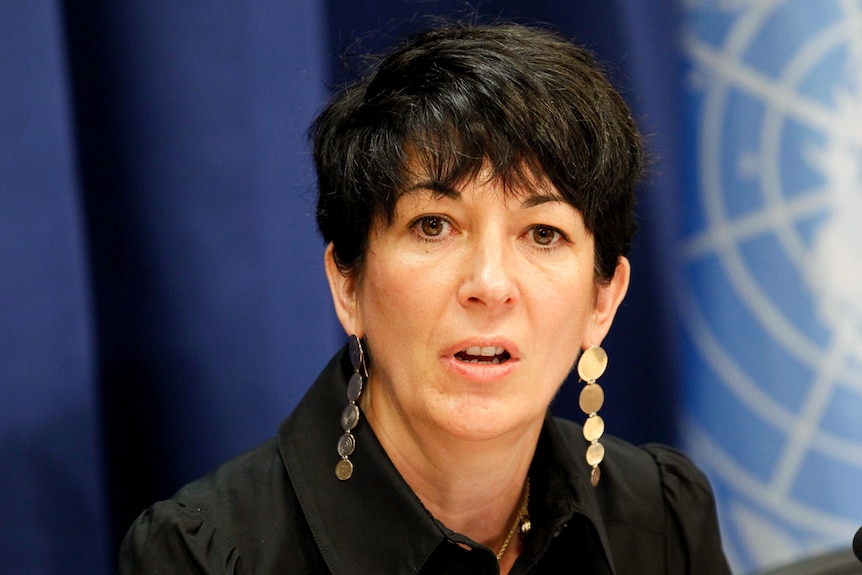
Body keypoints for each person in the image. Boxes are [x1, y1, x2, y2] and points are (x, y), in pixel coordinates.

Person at [119, 22, 732, 575]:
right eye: (433, 225)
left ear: (604, 301)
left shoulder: (664, 516)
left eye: (543, 233)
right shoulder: (205, 557)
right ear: (348, 283)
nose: (490, 285)